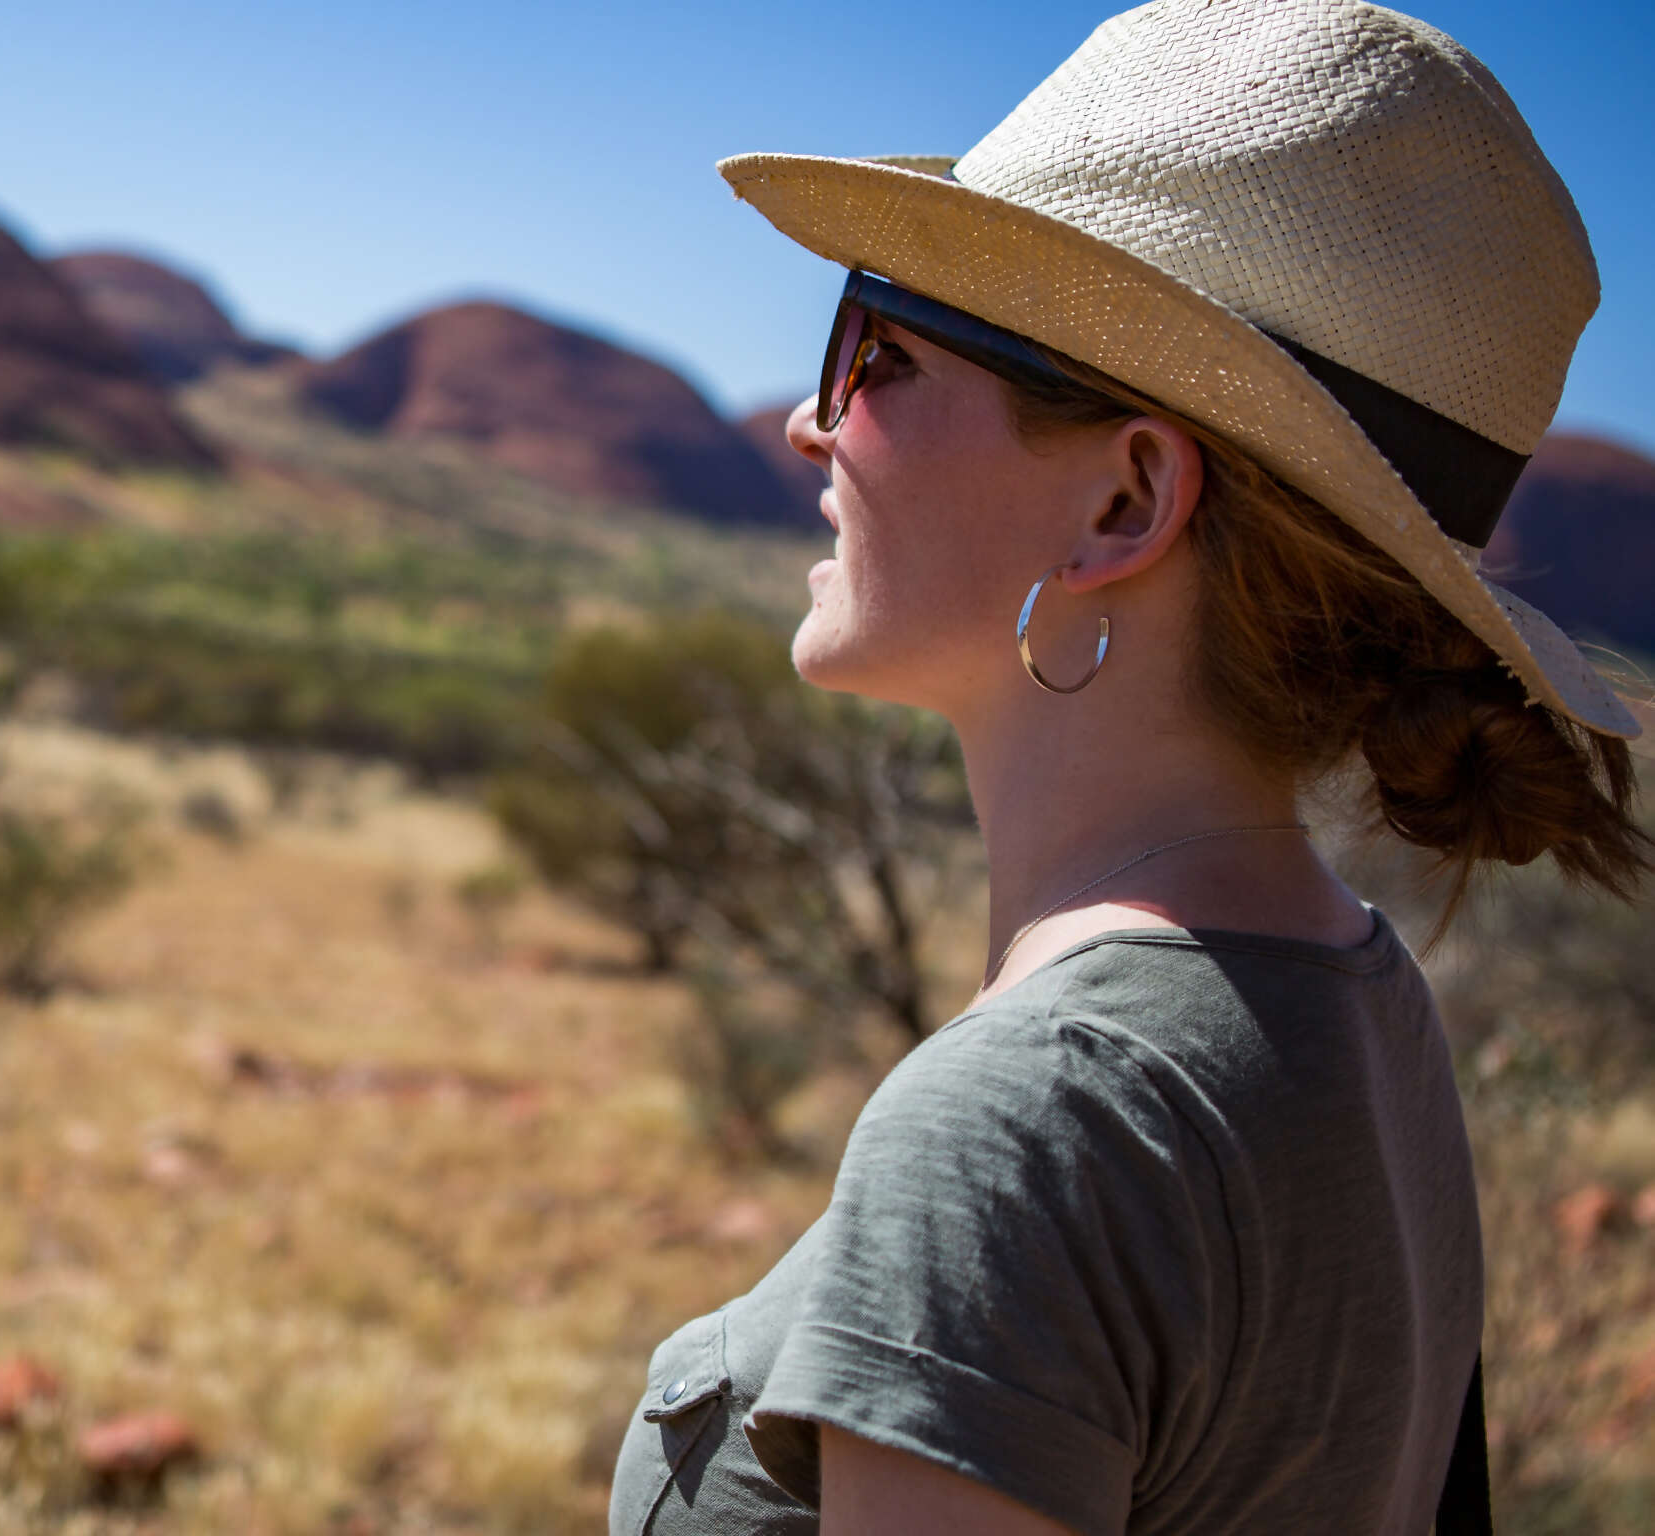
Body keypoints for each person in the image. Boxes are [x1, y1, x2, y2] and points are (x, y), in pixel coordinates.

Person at [609, 1, 1652, 1532]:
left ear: (1126, 501)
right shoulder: (1362, 1008)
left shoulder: (1032, 1119)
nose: (805, 423)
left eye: (877, 348)